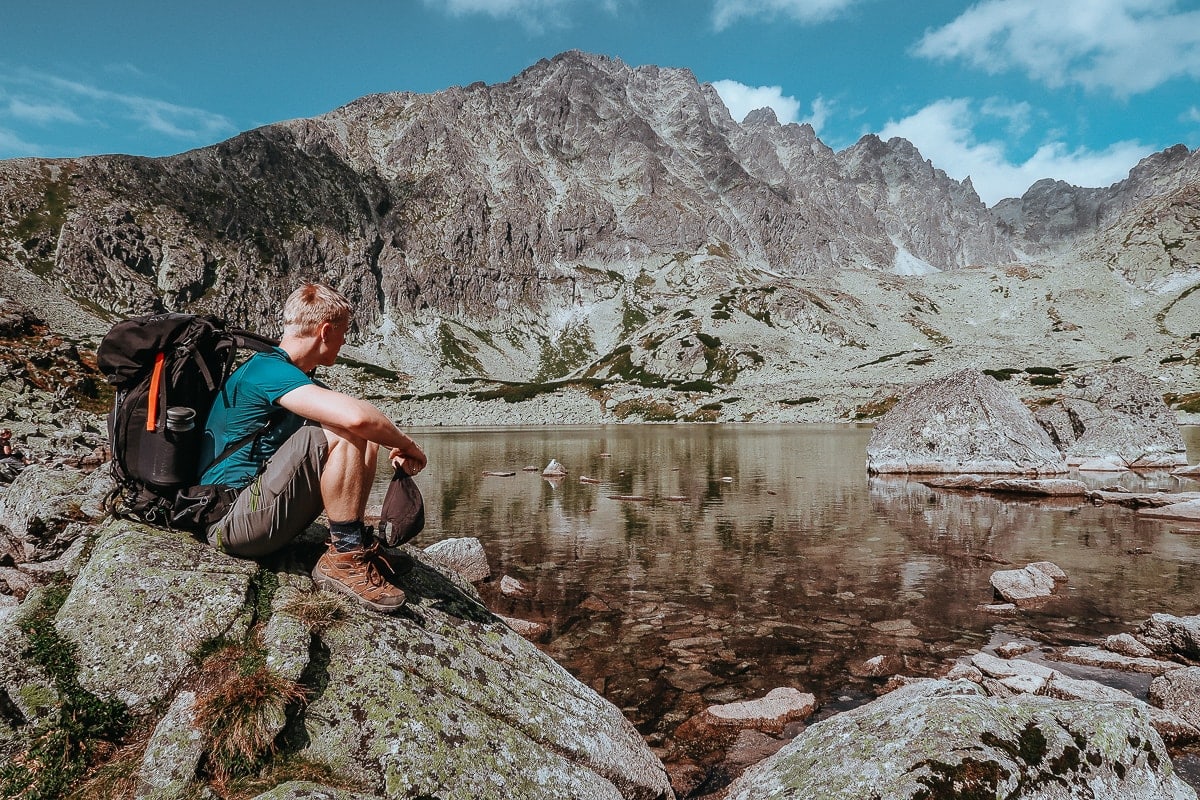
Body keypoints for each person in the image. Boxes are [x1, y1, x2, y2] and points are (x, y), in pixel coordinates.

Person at [199, 283, 427, 613]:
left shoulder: (291, 377)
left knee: (361, 437)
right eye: (344, 332)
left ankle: (353, 544)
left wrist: (389, 440)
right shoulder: (267, 370)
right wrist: (410, 447)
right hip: (230, 524)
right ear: (325, 331)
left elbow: (363, 420)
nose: (346, 341)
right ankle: (344, 559)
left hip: (253, 516)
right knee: (345, 430)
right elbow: (356, 418)